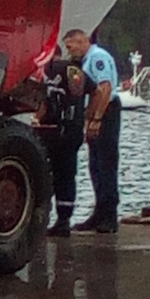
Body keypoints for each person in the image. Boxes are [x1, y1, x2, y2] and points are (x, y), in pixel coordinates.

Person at [63, 29, 122, 233]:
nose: (70, 52)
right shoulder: (86, 61)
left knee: (106, 163)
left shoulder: (98, 58)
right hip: (96, 112)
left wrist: (97, 119)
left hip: (106, 111)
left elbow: (105, 88)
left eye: (71, 47)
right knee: (95, 165)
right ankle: (99, 212)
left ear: (82, 41)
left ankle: (109, 216)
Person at [34, 46, 90, 237]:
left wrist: (91, 119)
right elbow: (45, 101)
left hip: (61, 129)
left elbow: (43, 102)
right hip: (61, 129)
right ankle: (59, 219)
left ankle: (57, 220)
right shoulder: (58, 72)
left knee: (58, 174)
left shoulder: (59, 70)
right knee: (61, 174)